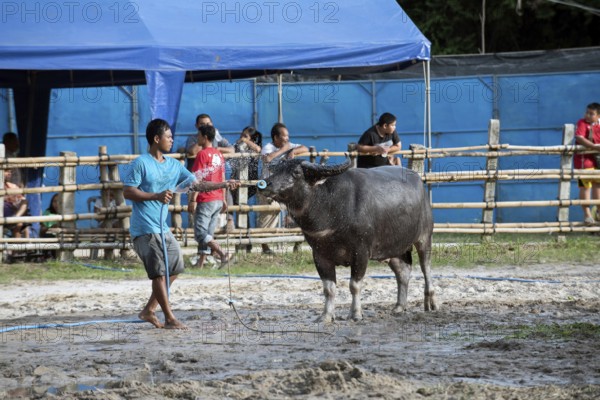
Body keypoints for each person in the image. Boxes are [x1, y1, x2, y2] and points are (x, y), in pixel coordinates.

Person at [123, 118, 238, 330]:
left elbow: (197, 183)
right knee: (159, 272)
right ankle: (169, 318)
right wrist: (154, 196)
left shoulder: (174, 165)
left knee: (175, 267)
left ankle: (149, 310)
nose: (172, 140)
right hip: (145, 229)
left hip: (162, 228)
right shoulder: (140, 163)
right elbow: (128, 191)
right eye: (168, 136)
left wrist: (223, 184)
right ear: (156, 139)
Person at [258, 122, 308, 254]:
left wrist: (293, 151)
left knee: (297, 211)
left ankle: (297, 242)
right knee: (268, 215)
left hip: (285, 187)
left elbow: (305, 148)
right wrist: (284, 150)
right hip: (269, 187)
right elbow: (267, 159)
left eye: (288, 136)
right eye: (284, 136)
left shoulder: (289, 145)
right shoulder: (267, 148)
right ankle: (265, 246)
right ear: (276, 138)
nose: (287, 139)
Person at [188, 124, 231, 269]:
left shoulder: (202, 154)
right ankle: (200, 264)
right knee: (208, 234)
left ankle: (222, 252)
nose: (197, 138)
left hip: (206, 198)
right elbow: (223, 177)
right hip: (218, 198)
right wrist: (224, 198)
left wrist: (193, 199)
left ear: (205, 137)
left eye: (199, 135)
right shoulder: (219, 154)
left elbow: (197, 179)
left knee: (200, 233)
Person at [185, 113, 235, 231]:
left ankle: (210, 246)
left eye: (208, 124)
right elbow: (192, 151)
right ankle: (211, 246)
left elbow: (231, 150)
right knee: (207, 228)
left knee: (202, 230)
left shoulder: (210, 148)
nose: (206, 125)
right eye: (202, 124)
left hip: (206, 195)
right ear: (196, 125)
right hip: (210, 193)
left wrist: (193, 200)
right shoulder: (194, 139)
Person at [573, 102, 600, 225]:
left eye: (592, 113)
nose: (588, 115)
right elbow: (579, 137)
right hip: (583, 162)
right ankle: (587, 214)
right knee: (585, 187)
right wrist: (595, 147)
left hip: (597, 162)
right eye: (587, 112)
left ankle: (599, 211)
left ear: (598, 115)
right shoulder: (582, 123)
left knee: (598, 186)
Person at [3, 168, 29, 238]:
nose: (9, 173)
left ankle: (15, 218)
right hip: (3, 213)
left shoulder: (12, 186)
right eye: (6, 171)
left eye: (10, 172)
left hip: (11, 215)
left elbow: (22, 200)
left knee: (19, 224)